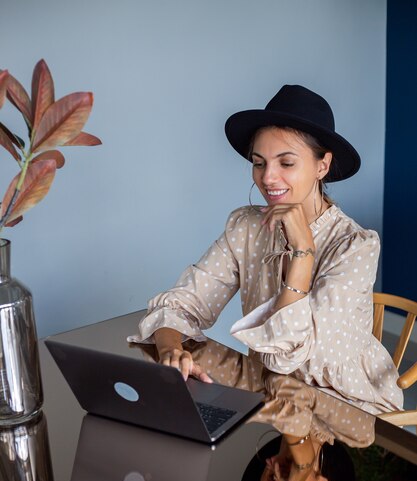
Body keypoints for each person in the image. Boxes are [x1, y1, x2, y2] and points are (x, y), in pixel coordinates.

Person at [129, 84, 403, 416]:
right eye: (259, 163)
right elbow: (182, 304)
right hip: (273, 390)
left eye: (286, 162)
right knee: (177, 387)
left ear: (322, 165)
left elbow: (292, 359)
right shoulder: (246, 227)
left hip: (343, 405)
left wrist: (303, 251)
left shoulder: (355, 246)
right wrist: (173, 352)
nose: (268, 178)